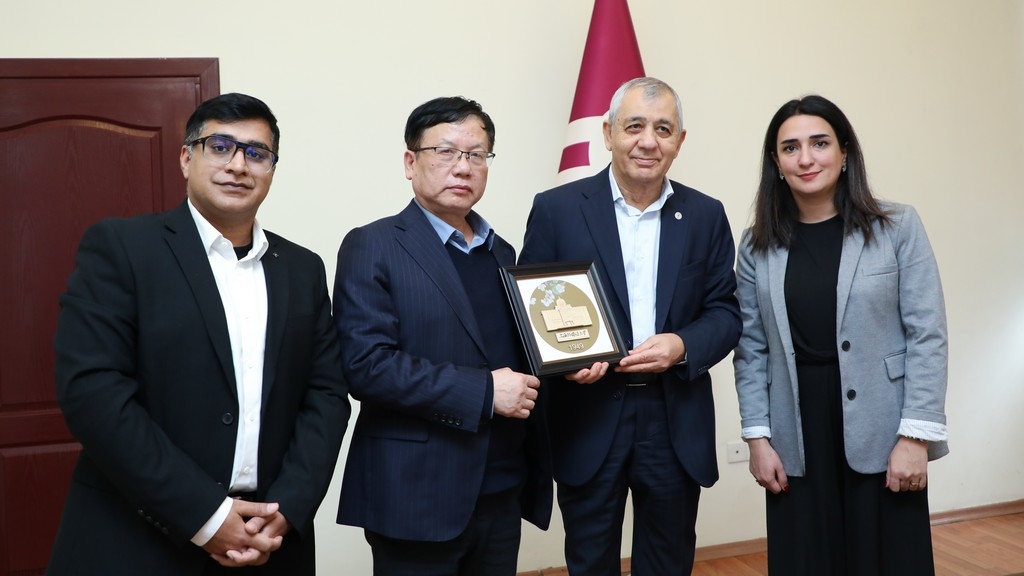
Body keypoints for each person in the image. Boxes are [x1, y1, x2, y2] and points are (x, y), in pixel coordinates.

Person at [49, 93, 351, 575]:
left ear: (272, 169)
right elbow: (94, 395)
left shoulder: (302, 268)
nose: (239, 165)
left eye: (257, 153)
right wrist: (207, 518)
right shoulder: (122, 248)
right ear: (187, 158)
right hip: (140, 537)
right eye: (221, 146)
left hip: (271, 539)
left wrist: (289, 508)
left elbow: (327, 396)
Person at [518, 77, 741, 575]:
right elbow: (532, 309)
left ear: (679, 141)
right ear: (608, 133)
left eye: (663, 129)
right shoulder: (557, 210)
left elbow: (725, 313)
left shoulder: (705, 215)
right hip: (588, 415)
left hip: (673, 416)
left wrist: (682, 344)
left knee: (668, 560)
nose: (648, 141)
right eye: (634, 126)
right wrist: (565, 363)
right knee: (590, 560)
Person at [333, 96, 551, 576]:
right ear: (411, 163)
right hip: (417, 494)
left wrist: (573, 360)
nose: (463, 167)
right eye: (446, 152)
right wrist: (486, 392)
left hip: (502, 487)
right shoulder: (373, 244)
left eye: (477, 154)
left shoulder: (502, 253)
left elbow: (518, 355)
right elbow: (367, 366)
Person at [732, 94, 948, 575]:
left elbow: (927, 335)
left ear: (845, 151)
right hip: (795, 432)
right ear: (776, 163)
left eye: (820, 143)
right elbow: (751, 349)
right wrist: (758, 439)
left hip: (884, 428)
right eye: (790, 148)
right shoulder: (755, 245)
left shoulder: (898, 226)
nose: (805, 158)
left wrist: (915, 437)